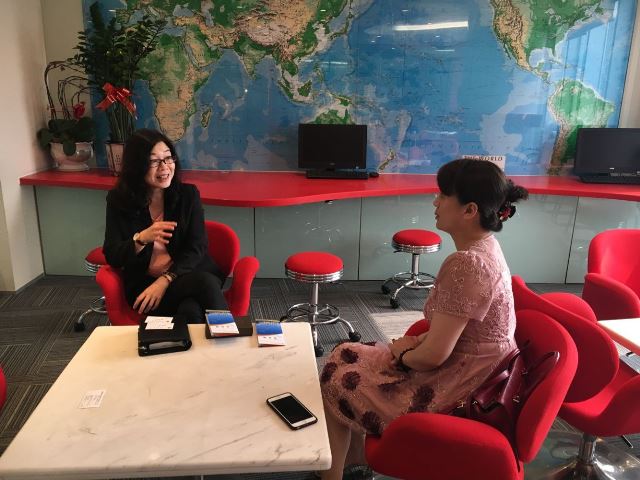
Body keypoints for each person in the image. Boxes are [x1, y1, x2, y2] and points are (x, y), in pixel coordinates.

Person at [319, 158, 529, 480]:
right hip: (476, 368)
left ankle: (333, 474)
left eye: (443, 195)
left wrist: (402, 352)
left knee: (336, 378)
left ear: (469, 210)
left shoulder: (467, 264)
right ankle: (355, 464)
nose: (435, 202)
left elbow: (433, 356)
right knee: (344, 352)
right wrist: (411, 344)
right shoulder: (488, 247)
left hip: (459, 386)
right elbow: (459, 334)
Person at [103, 128, 228, 322]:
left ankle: (221, 338)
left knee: (192, 310)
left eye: (168, 158)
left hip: (186, 275)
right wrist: (140, 239)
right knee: (200, 295)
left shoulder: (187, 195)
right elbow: (112, 255)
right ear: (137, 166)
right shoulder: (119, 200)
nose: (164, 167)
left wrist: (165, 279)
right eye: (154, 161)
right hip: (146, 286)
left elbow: (197, 248)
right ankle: (230, 336)